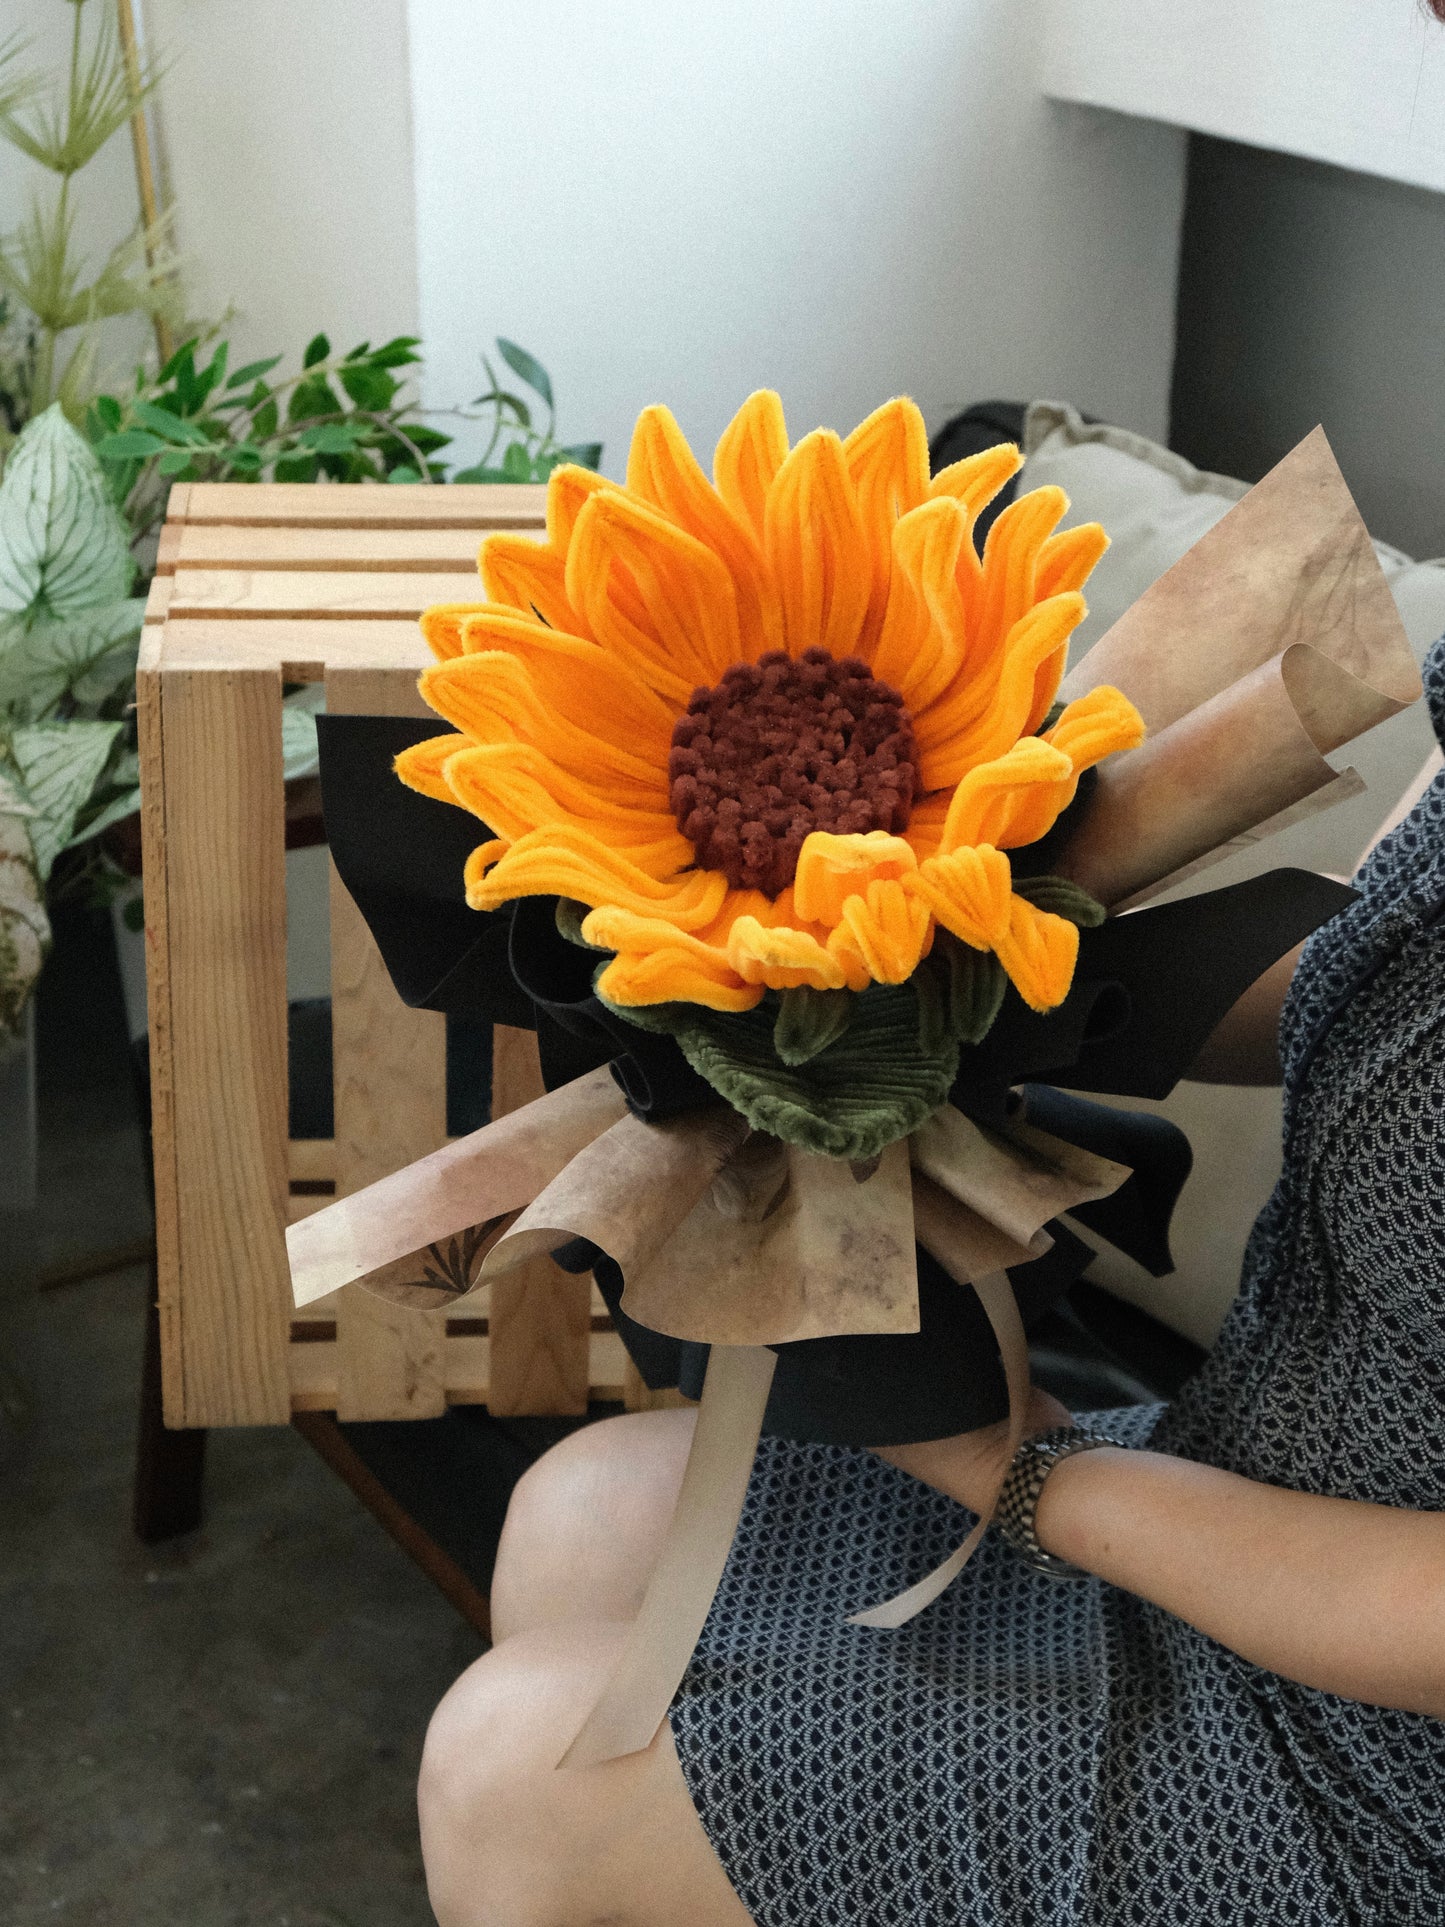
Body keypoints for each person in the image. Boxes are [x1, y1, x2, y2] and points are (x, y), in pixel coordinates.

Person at [416, 638, 1445, 1927]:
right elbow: (1374, 968)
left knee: (513, 1782)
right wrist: (972, 975)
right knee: (590, 1508)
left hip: (1380, 1767)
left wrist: (1024, 1477)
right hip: (1249, 1459)